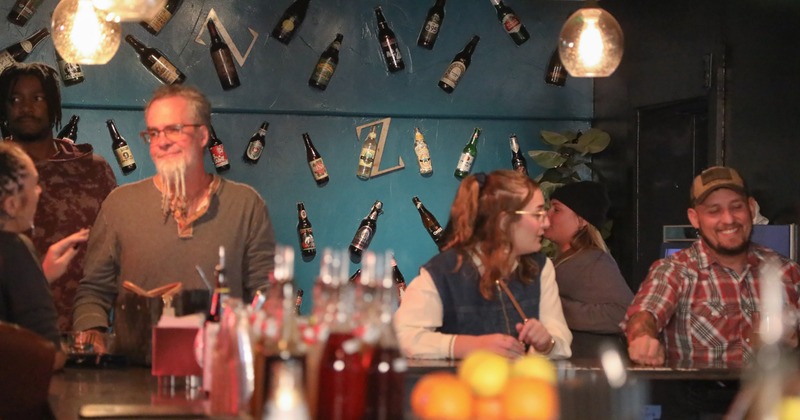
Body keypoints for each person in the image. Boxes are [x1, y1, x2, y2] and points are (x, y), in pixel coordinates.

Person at [72, 85, 276, 353]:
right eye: (153, 133)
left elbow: (266, 295)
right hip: (135, 374)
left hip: (218, 372)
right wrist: (91, 335)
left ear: (203, 135)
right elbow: (93, 293)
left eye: (174, 130)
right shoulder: (119, 204)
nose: (161, 142)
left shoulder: (246, 204)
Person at [623, 166, 800, 367]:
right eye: (714, 211)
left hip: (772, 395)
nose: (728, 219)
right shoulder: (675, 271)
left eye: (736, 207)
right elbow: (645, 314)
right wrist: (642, 339)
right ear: (694, 218)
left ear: (751, 209)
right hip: (700, 395)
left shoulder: (787, 272)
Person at [394, 170, 572, 359]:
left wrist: (547, 343)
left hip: (523, 386)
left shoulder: (540, 268)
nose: (546, 223)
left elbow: (560, 338)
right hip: (459, 386)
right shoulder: (442, 272)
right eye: (537, 214)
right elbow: (401, 337)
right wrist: (467, 345)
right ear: (505, 221)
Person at [0, 63, 117, 331]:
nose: (26, 107)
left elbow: (115, 248)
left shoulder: (92, 169)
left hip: (85, 327)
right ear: (4, 108)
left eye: (37, 98)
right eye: (15, 99)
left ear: (52, 104)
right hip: (9, 335)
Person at [0, 142, 89, 370]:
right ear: (11, 205)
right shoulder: (14, 248)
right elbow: (49, 356)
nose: (39, 191)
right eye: (34, 185)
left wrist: (40, 276)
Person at [544, 181, 633, 358]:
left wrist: (552, 307)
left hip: (589, 368)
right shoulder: (562, 261)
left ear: (582, 220)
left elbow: (624, 314)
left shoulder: (594, 261)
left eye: (556, 209)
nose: (547, 215)